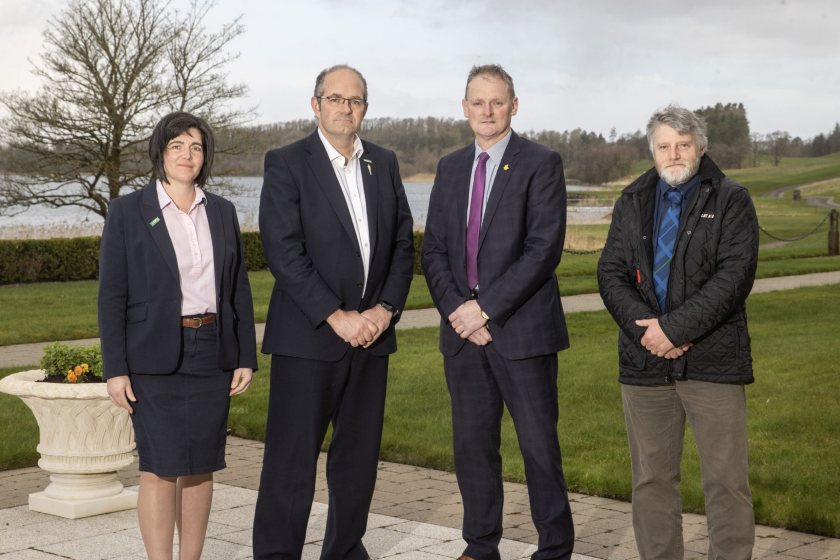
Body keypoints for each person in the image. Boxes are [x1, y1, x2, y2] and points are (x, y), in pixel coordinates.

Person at [252, 64, 414, 560]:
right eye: (336, 98)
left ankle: (345, 551)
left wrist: (385, 310)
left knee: (358, 460)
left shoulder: (382, 163)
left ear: (365, 107)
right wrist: (336, 316)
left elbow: (403, 244)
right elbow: (283, 250)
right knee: (290, 463)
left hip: (372, 338)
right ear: (316, 103)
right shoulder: (287, 162)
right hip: (310, 339)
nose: (346, 108)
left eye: (356, 100)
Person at [421, 64, 575, 560]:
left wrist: (483, 310)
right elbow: (435, 251)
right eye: (478, 102)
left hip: (522, 332)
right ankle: (480, 545)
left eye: (497, 101)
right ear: (464, 108)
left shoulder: (541, 163)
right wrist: (458, 311)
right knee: (472, 448)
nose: (487, 111)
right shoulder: (448, 168)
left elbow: (542, 249)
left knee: (538, 449)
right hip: (462, 336)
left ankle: (554, 548)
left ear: (514, 104)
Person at [597, 105, 758, 559]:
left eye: (683, 145)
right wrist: (648, 332)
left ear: (700, 148)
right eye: (664, 146)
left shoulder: (731, 199)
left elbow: (734, 278)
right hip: (644, 361)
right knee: (651, 481)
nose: (674, 154)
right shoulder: (631, 200)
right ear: (653, 151)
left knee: (726, 481)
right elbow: (610, 273)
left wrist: (674, 329)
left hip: (713, 361)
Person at [98, 111, 257, 560]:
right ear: (160, 154)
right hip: (153, 357)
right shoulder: (129, 212)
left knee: (202, 467)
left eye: (196, 147)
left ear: (204, 156)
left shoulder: (222, 212)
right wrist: (116, 369)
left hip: (212, 352)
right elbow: (111, 295)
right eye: (176, 146)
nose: (187, 156)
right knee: (160, 468)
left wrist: (245, 354)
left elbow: (237, 288)